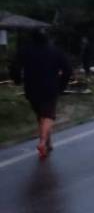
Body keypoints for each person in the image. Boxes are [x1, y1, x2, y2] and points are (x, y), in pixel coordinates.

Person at [10, 29, 72, 159]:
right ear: (47, 38)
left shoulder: (25, 50)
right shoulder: (55, 51)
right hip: (50, 88)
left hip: (31, 88)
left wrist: (17, 79)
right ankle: (43, 142)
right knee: (48, 115)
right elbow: (67, 69)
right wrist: (62, 85)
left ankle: (48, 143)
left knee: (41, 115)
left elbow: (14, 65)